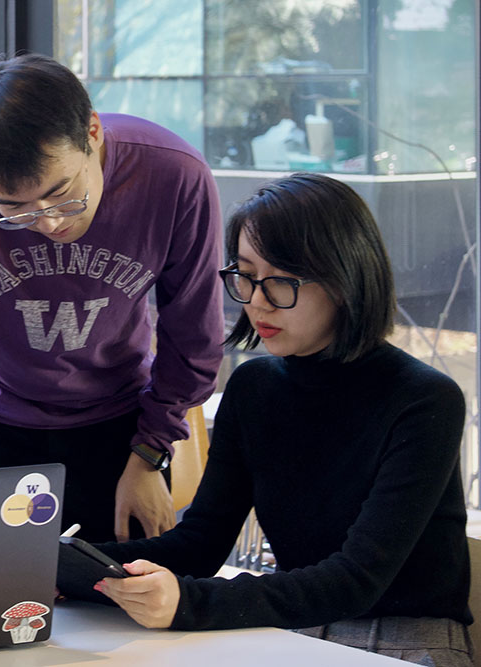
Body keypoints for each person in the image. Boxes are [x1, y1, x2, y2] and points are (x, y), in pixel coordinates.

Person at [73, 173, 472, 666]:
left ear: (345, 279)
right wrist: (76, 570)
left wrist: (187, 602)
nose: (257, 300)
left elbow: (357, 579)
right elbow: (202, 542)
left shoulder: (425, 400)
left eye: (281, 280)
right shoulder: (254, 387)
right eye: (245, 274)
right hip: (299, 624)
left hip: (407, 636)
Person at [0, 53, 224, 542]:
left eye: (63, 192)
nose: (50, 222)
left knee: (118, 599)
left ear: (93, 133)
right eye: (13, 209)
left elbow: (194, 337)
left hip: (118, 422)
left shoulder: (174, 174)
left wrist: (150, 452)